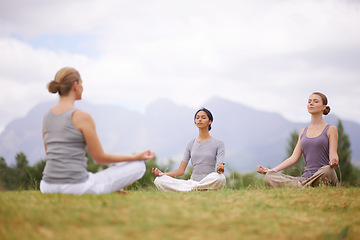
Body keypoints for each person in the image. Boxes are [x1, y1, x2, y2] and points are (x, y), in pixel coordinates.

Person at [40, 67, 155, 195]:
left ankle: (106, 186)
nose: (83, 87)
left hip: (47, 186)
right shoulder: (81, 117)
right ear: (75, 85)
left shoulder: (47, 117)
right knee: (139, 166)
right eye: (82, 83)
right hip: (77, 186)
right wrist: (134, 157)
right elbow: (99, 158)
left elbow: (50, 155)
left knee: (92, 177)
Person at [257, 92, 339, 188]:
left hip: (322, 175)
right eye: (309, 101)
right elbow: (293, 158)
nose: (311, 103)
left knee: (328, 170)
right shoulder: (303, 131)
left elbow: (333, 154)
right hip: (305, 179)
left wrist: (334, 160)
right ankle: (303, 186)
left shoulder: (331, 129)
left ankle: (299, 187)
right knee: (269, 176)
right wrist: (272, 170)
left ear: (323, 107)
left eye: (315, 101)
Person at [152, 108, 226, 191]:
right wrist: (163, 174)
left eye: (203, 117)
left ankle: (190, 189)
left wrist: (220, 167)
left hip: (209, 181)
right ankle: (196, 188)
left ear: (210, 121)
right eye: (197, 118)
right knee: (159, 180)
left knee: (220, 177)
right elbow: (181, 171)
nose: (200, 120)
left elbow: (220, 166)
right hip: (192, 182)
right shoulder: (190, 143)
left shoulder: (219, 143)